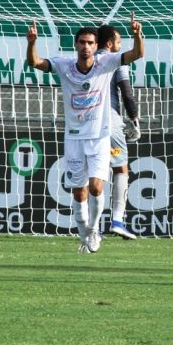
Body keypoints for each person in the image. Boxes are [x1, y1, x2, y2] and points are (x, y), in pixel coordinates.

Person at [26, 13, 144, 253]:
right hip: (74, 138)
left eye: (90, 42)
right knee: (78, 191)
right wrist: (31, 43)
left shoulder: (107, 63)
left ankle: (94, 231)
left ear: (95, 45)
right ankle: (85, 234)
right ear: (76, 45)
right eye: (82, 42)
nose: (86, 46)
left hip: (100, 137)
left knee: (96, 187)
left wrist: (136, 35)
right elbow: (36, 63)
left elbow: (136, 54)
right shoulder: (64, 65)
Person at [96, 23, 142, 240]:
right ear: (109, 43)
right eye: (118, 42)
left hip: (89, 126)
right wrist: (134, 119)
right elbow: (126, 92)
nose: (119, 46)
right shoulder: (116, 60)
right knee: (120, 168)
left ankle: (92, 225)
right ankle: (117, 221)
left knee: (96, 172)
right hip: (112, 126)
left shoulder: (86, 61)